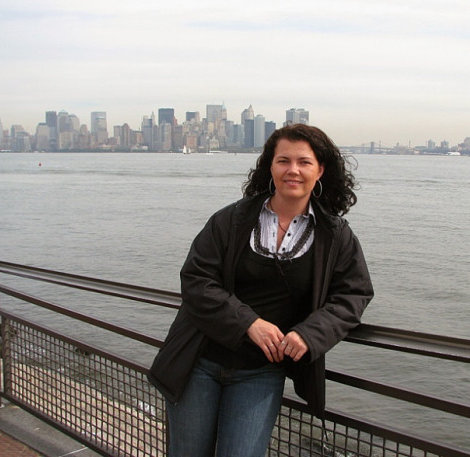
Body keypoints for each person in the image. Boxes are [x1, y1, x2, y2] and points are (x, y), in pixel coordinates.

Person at [148, 124, 373, 457]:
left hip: (261, 371)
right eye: (283, 160)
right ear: (270, 166)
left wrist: (311, 335)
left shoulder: (335, 235)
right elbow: (196, 279)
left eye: (304, 162)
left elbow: (353, 294)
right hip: (199, 361)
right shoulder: (232, 220)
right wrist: (248, 323)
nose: (292, 170)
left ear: (320, 170)